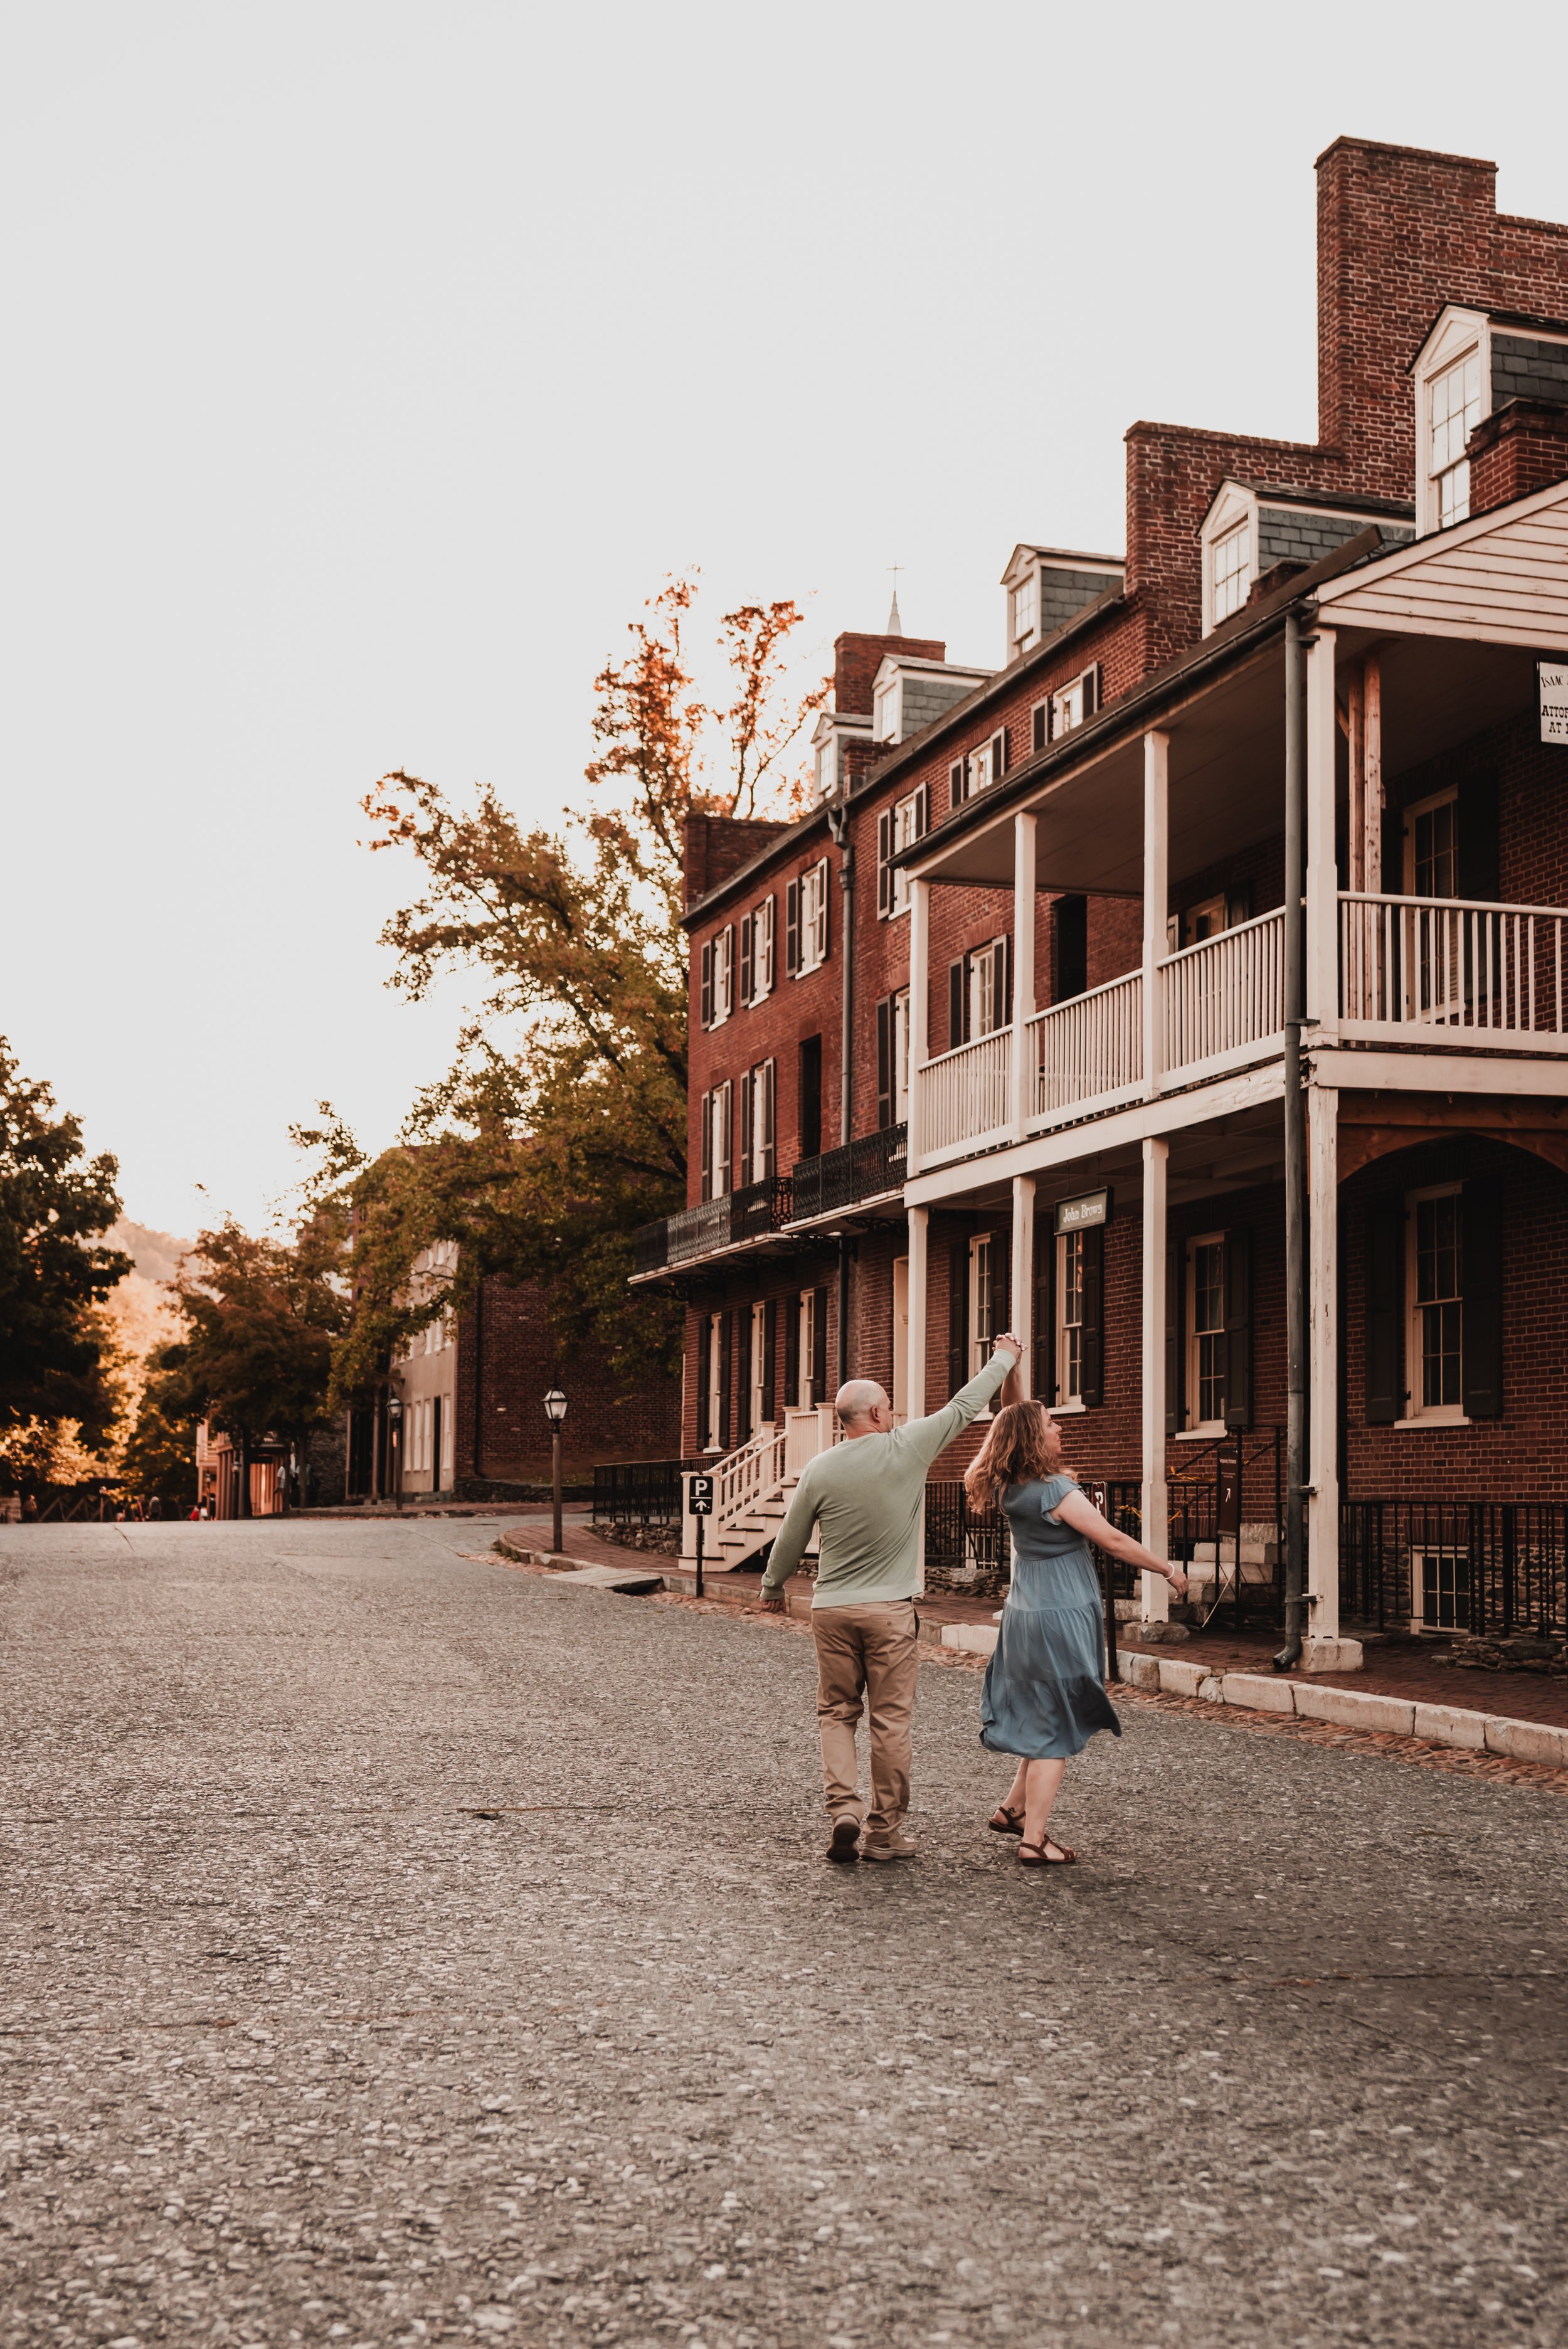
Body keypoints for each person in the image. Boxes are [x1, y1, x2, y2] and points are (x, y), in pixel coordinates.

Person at [760, 1332, 1023, 1865]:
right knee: (890, 1721)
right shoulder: (908, 1445)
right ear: (877, 1412)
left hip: (831, 1608)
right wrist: (1005, 1357)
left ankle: (844, 1812)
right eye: (890, 1407)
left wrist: (771, 1587)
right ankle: (883, 1832)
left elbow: (790, 1537)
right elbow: (966, 1404)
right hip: (890, 1612)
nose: (895, 1414)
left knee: (836, 1712)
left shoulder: (819, 1467)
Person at [966, 1369, 1187, 1866]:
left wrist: (1015, 1372)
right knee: (1057, 1724)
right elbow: (1113, 1539)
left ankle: (1013, 1810)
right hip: (1058, 1616)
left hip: (1024, 1614)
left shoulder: (1008, 1486)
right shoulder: (1056, 1493)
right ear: (1033, 1437)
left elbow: (1013, 1413)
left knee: (1042, 1710)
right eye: (1050, 1422)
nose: (1059, 1427)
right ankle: (1035, 1840)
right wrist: (1168, 1569)